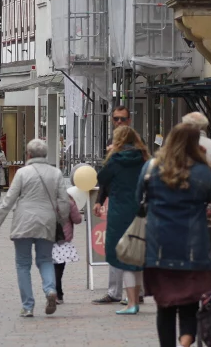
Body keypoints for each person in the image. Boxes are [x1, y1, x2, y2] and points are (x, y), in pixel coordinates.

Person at [140, 123, 211, 347]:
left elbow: (138, 201)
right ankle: (185, 343)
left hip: (159, 247)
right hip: (192, 247)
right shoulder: (201, 171)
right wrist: (206, 164)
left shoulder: (151, 167)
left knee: (164, 306)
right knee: (189, 304)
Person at [0, 139, 70, 318]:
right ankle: (50, 290)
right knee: (45, 260)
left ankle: (28, 306)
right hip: (46, 222)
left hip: (23, 222)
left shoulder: (22, 173)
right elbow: (64, 201)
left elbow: (9, 200)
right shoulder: (56, 173)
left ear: (29, 155)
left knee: (22, 264)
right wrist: (61, 220)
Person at [97, 126, 150, 315]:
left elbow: (101, 178)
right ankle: (135, 297)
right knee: (136, 254)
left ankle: (131, 303)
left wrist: (110, 155)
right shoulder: (144, 158)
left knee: (123, 256)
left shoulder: (115, 160)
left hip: (119, 212)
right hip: (139, 211)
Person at [92, 105, 139, 306]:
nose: (118, 122)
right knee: (124, 247)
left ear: (129, 121)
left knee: (125, 247)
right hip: (126, 204)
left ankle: (132, 293)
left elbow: (104, 174)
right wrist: (99, 200)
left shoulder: (134, 143)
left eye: (122, 119)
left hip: (124, 205)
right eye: (116, 119)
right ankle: (118, 292)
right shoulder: (113, 143)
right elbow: (107, 180)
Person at [53, 193, 82, 304]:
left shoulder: (45, 199)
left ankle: (55, 292)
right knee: (59, 267)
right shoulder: (68, 202)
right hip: (63, 239)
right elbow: (78, 220)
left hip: (47, 236)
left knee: (50, 267)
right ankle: (58, 293)